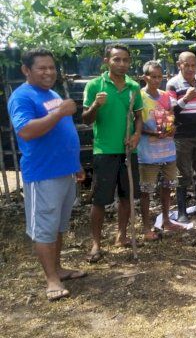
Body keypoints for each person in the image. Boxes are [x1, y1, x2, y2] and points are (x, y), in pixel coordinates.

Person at [9, 48, 85, 301]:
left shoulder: (50, 93)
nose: (49, 72)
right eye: (42, 68)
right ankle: (51, 279)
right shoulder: (22, 97)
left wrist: (76, 164)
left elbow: (62, 131)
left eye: (51, 67)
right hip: (43, 174)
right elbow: (27, 131)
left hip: (64, 171)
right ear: (26, 70)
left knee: (58, 226)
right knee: (44, 228)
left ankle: (59, 268)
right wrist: (59, 112)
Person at [82, 43, 143, 263]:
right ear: (107, 61)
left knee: (127, 197)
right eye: (117, 59)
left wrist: (136, 135)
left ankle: (121, 236)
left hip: (128, 150)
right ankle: (96, 244)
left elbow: (138, 117)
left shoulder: (133, 87)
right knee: (99, 200)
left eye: (126, 60)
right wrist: (96, 105)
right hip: (104, 150)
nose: (122, 64)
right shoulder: (95, 85)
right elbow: (86, 119)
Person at [167, 51, 196, 222]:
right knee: (183, 175)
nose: (191, 68)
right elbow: (171, 111)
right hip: (182, 137)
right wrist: (186, 98)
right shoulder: (173, 84)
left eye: (194, 65)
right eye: (187, 65)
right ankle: (182, 212)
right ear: (180, 65)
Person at [138, 61, 181, 239]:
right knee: (146, 190)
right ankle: (146, 227)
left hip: (168, 149)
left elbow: (171, 117)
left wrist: (171, 128)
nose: (156, 80)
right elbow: (136, 125)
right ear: (144, 77)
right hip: (147, 152)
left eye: (159, 76)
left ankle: (166, 220)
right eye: (152, 76)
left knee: (167, 186)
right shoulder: (138, 97)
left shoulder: (165, 97)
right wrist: (152, 132)